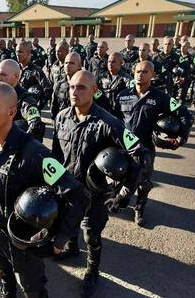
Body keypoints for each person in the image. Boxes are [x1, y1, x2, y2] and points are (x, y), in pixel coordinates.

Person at [0, 82, 90, 298]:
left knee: (32, 289)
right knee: (3, 275)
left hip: (20, 243)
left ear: (11, 112)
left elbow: (77, 194)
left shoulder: (33, 153)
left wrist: (59, 240)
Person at [52, 70, 149, 297]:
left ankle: (92, 271)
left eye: (82, 87)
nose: (74, 92)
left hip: (94, 194)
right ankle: (71, 248)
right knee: (67, 223)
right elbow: (55, 155)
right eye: (72, 86)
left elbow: (139, 155)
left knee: (92, 235)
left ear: (94, 90)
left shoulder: (109, 123)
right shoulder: (61, 117)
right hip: (68, 189)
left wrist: (123, 193)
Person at [113, 61, 194, 225]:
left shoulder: (160, 97)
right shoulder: (122, 95)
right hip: (123, 147)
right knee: (118, 177)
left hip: (145, 149)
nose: (139, 75)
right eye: (137, 71)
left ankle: (139, 207)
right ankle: (118, 201)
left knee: (144, 183)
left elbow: (185, 115)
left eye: (144, 72)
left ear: (152, 75)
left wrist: (180, 138)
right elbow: (113, 119)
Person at [0, 59, 45, 142]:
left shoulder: (26, 99)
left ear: (16, 77)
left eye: (3, 75)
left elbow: (36, 126)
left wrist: (21, 145)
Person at [17, 41, 51, 110]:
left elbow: (48, 89)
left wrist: (38, 107)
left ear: (28, 54)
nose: (17, 54)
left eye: (20, 52)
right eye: (16, 52)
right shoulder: (15, 68)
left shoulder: (36, 70)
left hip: (28, 111)